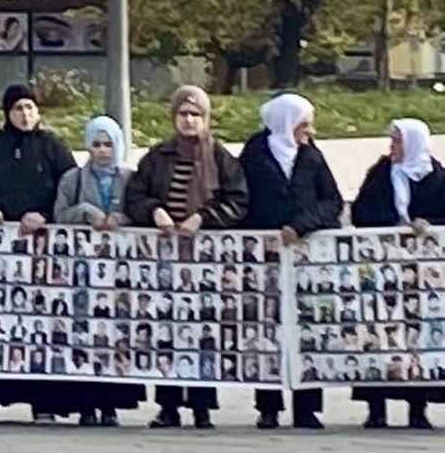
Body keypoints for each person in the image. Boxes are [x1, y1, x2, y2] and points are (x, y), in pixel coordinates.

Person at [124, 84, 248, 429]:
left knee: (201, 330)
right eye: (183, 114)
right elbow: (134, 196)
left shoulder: (220, 157)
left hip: (204, 258)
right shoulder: (158, 156)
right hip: (166, 257)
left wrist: (204, 218)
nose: (189, 120)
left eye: (196, 115)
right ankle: (168, 405)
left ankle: (202, 405)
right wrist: (155, 212)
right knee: (167, 330)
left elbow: (238, 201)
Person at [0, 82, 76, 423]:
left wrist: (46, 214)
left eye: (30, 108)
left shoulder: (52, 147)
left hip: (40, 253)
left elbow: (68, 187)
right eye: (18, 109)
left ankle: (44, 403)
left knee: (39, 328)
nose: (25, 115)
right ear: (7, 112)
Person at [241, 92, 343, 430]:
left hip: (303, 254)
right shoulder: (255, 155)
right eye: (303, 123)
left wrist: (301, 225)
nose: (308, 130)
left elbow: (332, 201)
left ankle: (307, 407)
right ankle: (268, 405)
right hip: (266, 255)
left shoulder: (312, 156)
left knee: (306, 329)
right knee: (266, 329)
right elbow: (242, 198)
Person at [348, 118, 441, 429]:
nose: (392, 148)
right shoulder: (381, 174)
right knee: (380, 334)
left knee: (417, 335)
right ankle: (376, 409)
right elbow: (361, 211)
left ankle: (418, 408)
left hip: (420, 272)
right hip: (384, 266)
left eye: (398, 142)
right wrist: (392, 224)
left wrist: (425, 223)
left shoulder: (436, 177)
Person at [51, 116, 144, 427]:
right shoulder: (72, 179)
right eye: (96, 144)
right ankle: (85, 405)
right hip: (83, 271)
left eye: (108, 144)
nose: (103, 151)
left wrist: (121, 218)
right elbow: (59, 215)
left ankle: (111, 404)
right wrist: (84, 212)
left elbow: (140, 213)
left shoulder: (130, 178)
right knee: (84, 335)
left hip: (118, 272)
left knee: (115, 335)